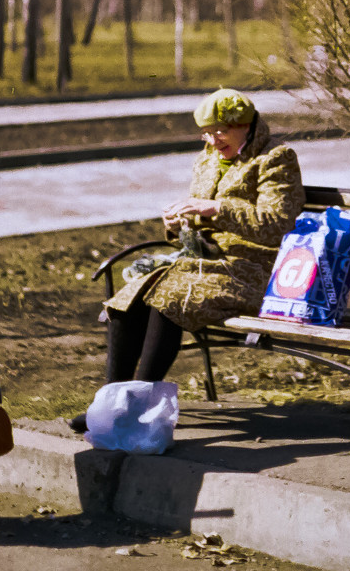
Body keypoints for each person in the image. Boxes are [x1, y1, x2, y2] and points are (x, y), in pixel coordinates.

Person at [73, 88, 305, 431]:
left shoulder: (276, 159)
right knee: (130, 299)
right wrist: (178, 223)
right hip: (207, 262)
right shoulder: (208, 158)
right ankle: (109, 404)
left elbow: (276, 225)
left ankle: (137, 406)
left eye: (220, 131)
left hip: (255, 269)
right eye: (206, 132)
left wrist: (217, 209)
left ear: (246, 125)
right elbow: (199, 217)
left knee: (172, 298)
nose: (212, 140)